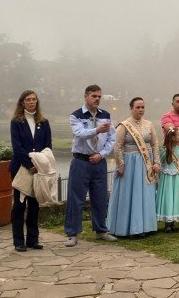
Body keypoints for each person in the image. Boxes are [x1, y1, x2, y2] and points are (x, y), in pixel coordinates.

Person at [64, 85, 117, 247]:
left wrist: (101, 155)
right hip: (81, 161)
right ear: (86, 97)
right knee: (76, 198)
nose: (97, 99)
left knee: (100, 197)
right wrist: (97, 130)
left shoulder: (105, 115)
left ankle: (101, 230)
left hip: (99, 161)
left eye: (99, 96)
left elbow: (112, 138)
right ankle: (72, 233)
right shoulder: (76, 116)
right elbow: (79, 133)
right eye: (94, 96)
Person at [107, 97, 161, 237]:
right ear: (131, 109)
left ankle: (145, 227)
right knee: (130, 195)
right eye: (138, 107)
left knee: (145, 194)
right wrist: (120, 164)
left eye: (143, 107)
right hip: (130, 164)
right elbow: (117, 146)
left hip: (145, 163)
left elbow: (155, 144)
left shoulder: (149, 124)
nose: (141, 110)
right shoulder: (123, 126)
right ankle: (128, 228)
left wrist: (156, 162)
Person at [9, 90, 53, 252]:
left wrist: (40, 165)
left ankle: (32, 239)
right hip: (21, 168)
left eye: (34, 99)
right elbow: (17, 148)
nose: (32, 102)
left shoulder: (44, 122)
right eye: (28, 100)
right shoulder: (16, 122)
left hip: (39, 170)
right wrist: (30, 164)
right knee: (19, 206)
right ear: (22, 102)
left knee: (35, 205)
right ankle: (18, 241)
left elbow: (47, 146)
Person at [156, 127, 179, 232]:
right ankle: (168, 223)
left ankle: (173, 221)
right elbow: (160, 162)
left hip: (177, 177)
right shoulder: (164, 149)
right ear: (173, 137)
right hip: (167, 178)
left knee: (176, 198)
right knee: (168, 198)